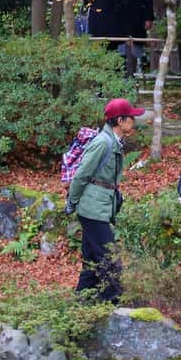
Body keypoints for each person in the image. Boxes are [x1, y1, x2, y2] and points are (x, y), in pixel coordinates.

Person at [67, 98, 144, 303]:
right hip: (92, 209)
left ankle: (82, 302)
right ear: (120, 120)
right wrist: (72, 201)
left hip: (99, 206)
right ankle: (111, 301)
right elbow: (82, 175)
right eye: (131, 118)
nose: (134, 121)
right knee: (109, 257)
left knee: (92, 259)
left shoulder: (114, 142)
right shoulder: (103, 142)